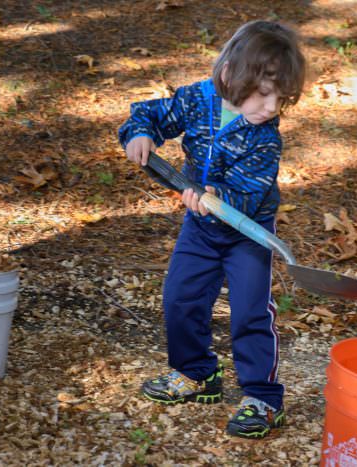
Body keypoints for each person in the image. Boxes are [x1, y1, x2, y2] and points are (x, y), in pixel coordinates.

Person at [119, 20, 306, 439]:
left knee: (250, 309)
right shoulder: (198, 99)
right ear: (228, 76)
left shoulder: (265, 138)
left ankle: (262, 397)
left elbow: (250, 191)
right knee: (181, 296)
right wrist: (140, 132)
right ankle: (196, 373)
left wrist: (214, 195)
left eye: (281, 98)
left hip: (248, 231)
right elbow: (151, 113)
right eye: (263, 93)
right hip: (201, 227)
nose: (271, 107)